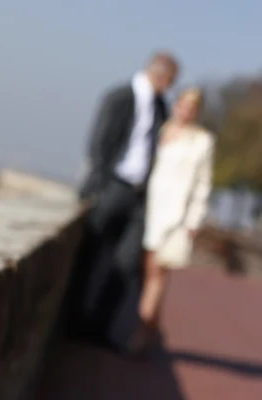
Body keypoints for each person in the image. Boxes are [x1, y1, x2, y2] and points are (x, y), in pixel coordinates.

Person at [65, 52, 179, 352]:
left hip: (140, 196)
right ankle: (72, 323)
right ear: (161, 75)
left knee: (127, 262)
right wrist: (100, 187)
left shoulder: (161, 107)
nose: (170, 87)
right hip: (113, 185)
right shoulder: (120, 96)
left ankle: (98, 327)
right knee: (90, 255)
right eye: (170, 81)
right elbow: (99, 142)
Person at [135, 88, 215, 350]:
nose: (186, 111)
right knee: (150, 270)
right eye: (183, 105)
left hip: (175, 216)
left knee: (156, 272)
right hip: (150, 209)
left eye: (192, 108)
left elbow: (203, 184)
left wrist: (194, 220)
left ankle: (142, 331)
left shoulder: (203, 141)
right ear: (177, 105)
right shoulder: (160, 130)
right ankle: (152, 327)